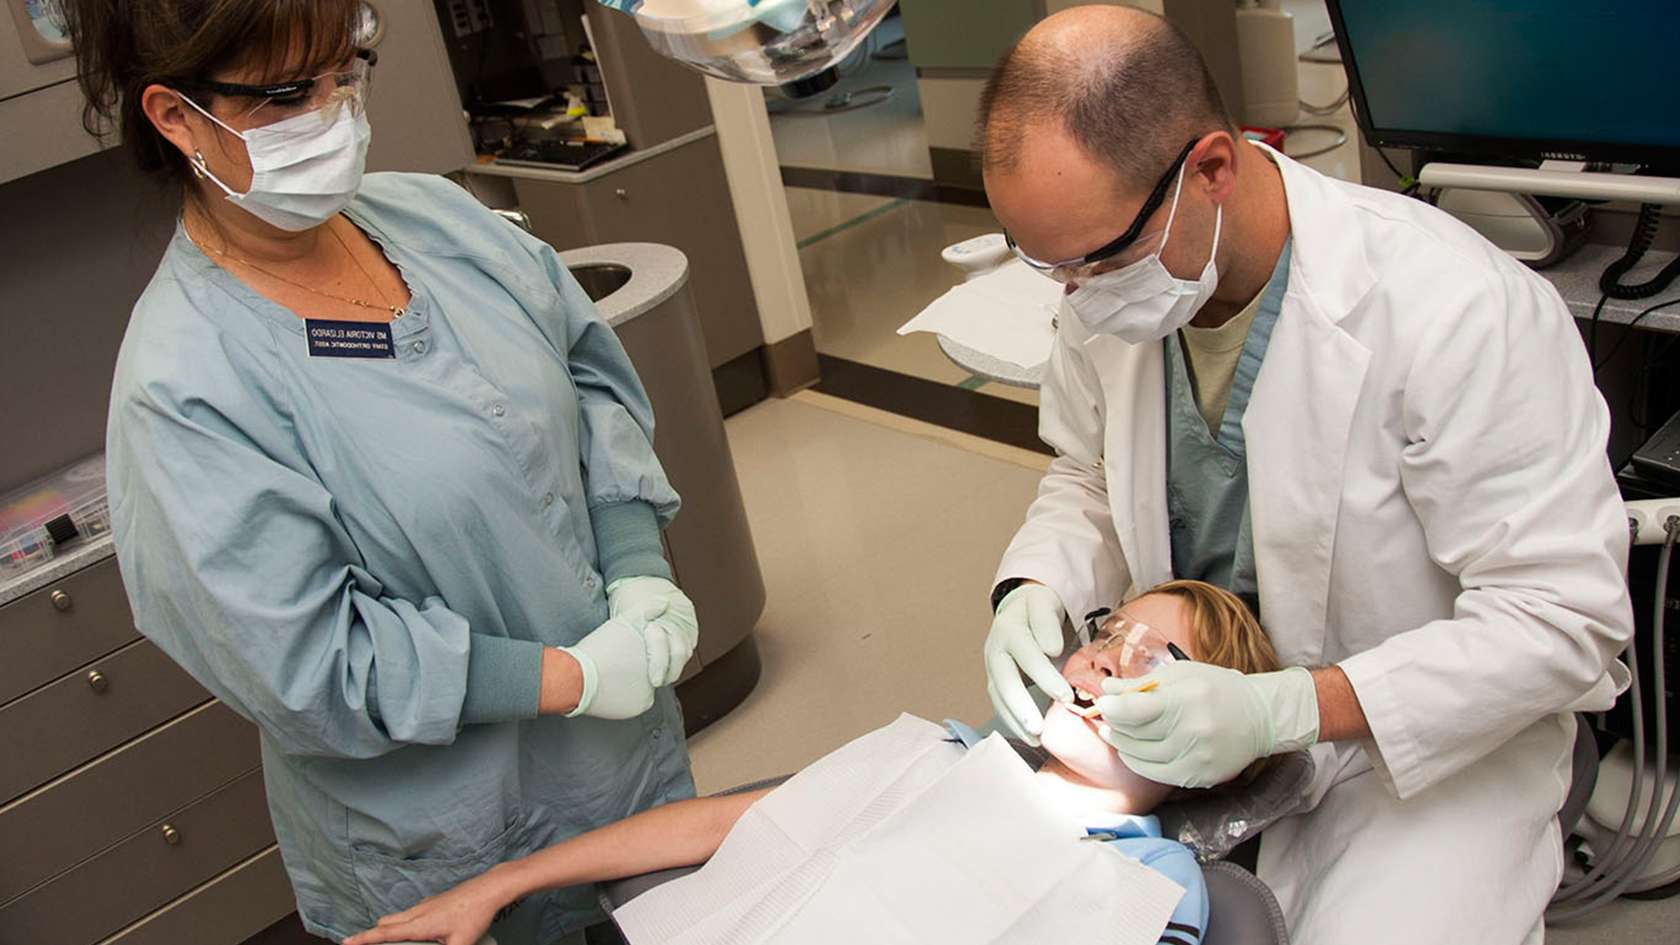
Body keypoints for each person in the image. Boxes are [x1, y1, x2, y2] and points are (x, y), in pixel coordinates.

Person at [976, 7, 1633, 944]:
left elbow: (1562, 617)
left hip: (1416, 746)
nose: (1074, 295)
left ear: (1210, 169)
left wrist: (1285, 705)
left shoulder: (1459, 311)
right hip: (1183, 713)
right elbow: (1086, 469)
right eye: (1049, 266)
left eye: (1097, 259)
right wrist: (1033, 585)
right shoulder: (1116, 291)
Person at [69, 2, 700, 942]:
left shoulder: (438, 220)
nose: (335, 114)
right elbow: (308, 662)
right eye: (289, 94)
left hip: (622, 763)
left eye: (345, 72)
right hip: (448, 841)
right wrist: (562, 677)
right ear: (174, 116)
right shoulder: (186, 385)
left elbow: (583, 371)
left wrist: (635, 559)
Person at [342, 580, 1279, 945]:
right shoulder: (936, 755)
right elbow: (733, 820)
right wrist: (502, 881)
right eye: (1111, 630)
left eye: (1159, 660)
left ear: (1215, 748)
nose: (1110, 655)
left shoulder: (1154, 885)